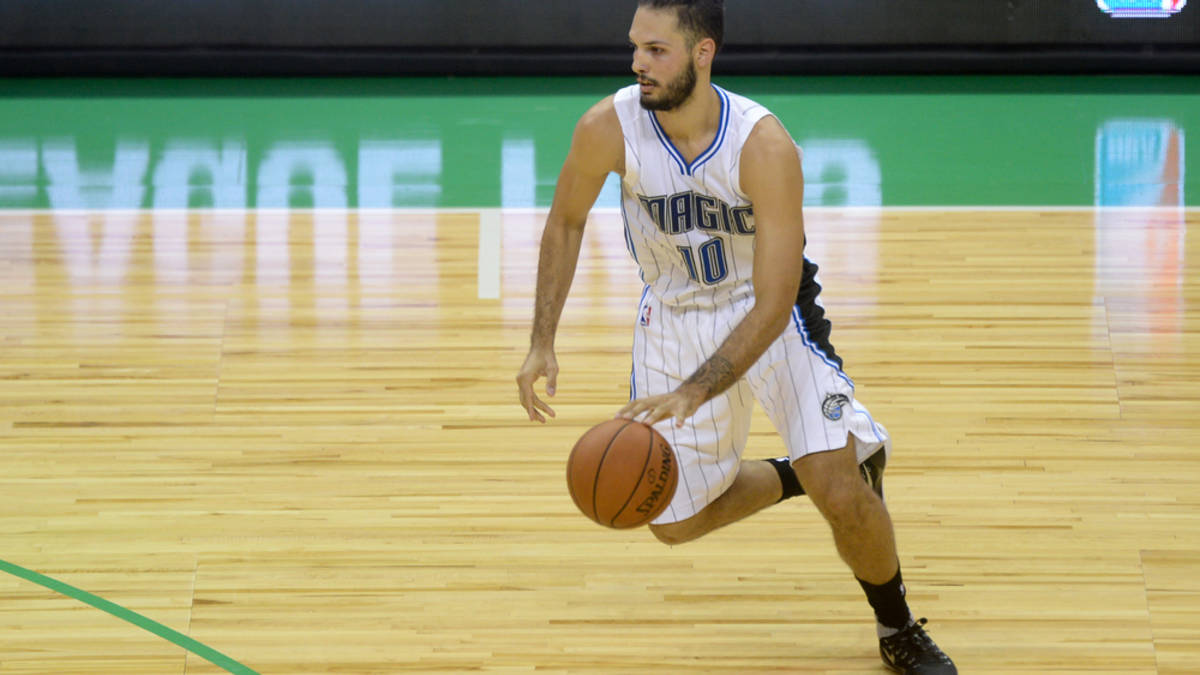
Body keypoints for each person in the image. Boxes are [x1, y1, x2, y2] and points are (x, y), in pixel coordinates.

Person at [516, 1, 956, 672]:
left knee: (842, 495)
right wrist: (541, 340)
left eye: (656, 51)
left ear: (703, 53)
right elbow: (566, 221)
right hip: (675, 316)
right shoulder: (608, 126)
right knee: (670, 519)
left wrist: (696, 390)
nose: (637, 63)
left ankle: (897, 626)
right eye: (635, 47)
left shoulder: (762, 144)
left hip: (771, 314)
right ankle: (805, 471)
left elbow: (776, 302)